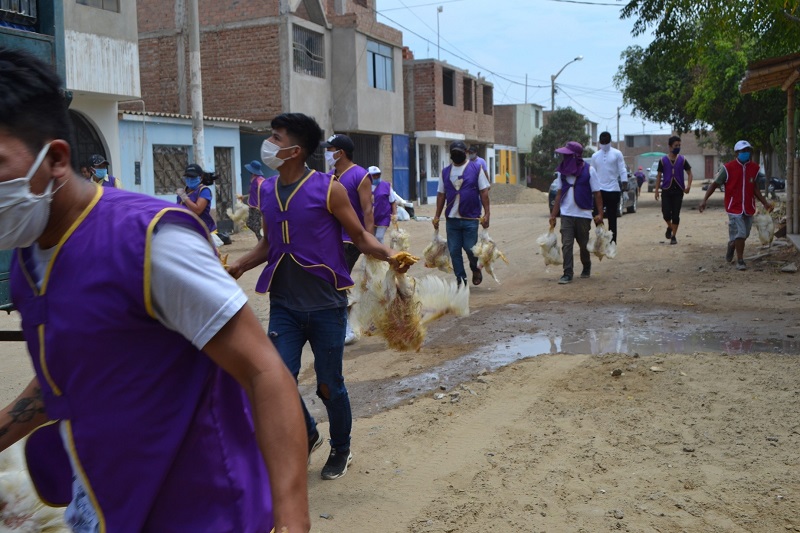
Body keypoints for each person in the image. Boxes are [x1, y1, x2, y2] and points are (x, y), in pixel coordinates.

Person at [0, 47, 310, 532]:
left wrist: (292, 520)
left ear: (56, 158)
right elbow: (73, 364)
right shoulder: (27, 260)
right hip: (104, 507)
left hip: (202, 513)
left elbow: (262, 370)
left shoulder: (149, 242)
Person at [226, 113, 412, 481]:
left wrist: (391, 254)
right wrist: (240, 265)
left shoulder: (330, 189)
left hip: (326, 305)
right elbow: (269, 243)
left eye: (276, 138)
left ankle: (341, 448)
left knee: (329, 385)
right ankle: (309, 433)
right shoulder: (266, 190)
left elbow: (359, 237)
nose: (269, 144)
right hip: (284, 303)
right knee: (276, 378)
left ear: (295, 150)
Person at [323, 133, 374, 344]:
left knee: (336, 281)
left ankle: (347, 329)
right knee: (331, 280)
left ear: (340, 152)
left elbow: (367, 210)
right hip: (331, 238)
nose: (326, 153)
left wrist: (369, 242)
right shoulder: (329, 177)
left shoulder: (360, 175)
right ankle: (345, 323)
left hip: (350, 240)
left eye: (329, 150)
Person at [698, 140, 773, 270]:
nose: (746, 153)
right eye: (743, 151)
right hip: (734, 207)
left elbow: (755, 188)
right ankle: (740, 260)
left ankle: (732, 245)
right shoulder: (727, 168)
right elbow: (715, 184)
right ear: (736, 153)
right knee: (741, 233)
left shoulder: (754, 168)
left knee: (745, 234)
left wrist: (765, 203)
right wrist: (704, 200)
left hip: (748, 207)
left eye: (748, 150)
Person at [433, 140, 491, 287]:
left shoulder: (476, 169)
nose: (457, 155)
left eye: (459, 153)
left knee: (470, 249)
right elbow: (441, 195)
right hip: (452, 219)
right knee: (454, 250)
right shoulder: (445, 172)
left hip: (470, 217)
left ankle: (475, 268)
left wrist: (487, 214)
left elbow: (484, 192)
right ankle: (461, 279)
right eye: (454, 153)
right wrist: (437, 216)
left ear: (466, 153)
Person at [548, 141, 604, 284]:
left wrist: (600, 214)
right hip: (566, 214)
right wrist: (553, 215)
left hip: (583, 215)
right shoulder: (562, 173)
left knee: (583, 244)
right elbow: (559, 194)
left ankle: (586, 265)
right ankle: (567, 273)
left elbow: (597, 193)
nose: (564, 159)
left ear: (575, 156)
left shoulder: (589, 170)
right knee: (567, 244)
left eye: (568, 156)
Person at [654, 136, 693, 245]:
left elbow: (690, 173)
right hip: (666, 189)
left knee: (676, 215)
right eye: (676, 145)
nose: (678, 147)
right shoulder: (663, 160)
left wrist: (688, 186)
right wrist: (656, 190)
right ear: (670, 146)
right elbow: (659, 176)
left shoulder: (682, 160)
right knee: (666, 214)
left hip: (678, 190)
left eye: (679, 145)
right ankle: (670, 227)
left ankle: (673, 236)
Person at [590, 131, 628, 243]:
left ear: (610, 141)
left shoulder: (617, 154)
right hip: (599, 191)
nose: (604, 144)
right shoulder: (595, 156)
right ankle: (601, 238)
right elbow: (592, 172)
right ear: (599, 142)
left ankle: (612, 243)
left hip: (613, 189)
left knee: (612, 218)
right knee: (597, 216)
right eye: (602, 142)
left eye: (606, 142)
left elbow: (622, 169)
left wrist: (625, 186)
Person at [176, 162, 217, 234]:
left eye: (193, 177)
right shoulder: (183, 192)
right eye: (188, 177)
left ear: (200, 177)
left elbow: (197, 210)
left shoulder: (204, 190)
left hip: (204, 231)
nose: (190, 179)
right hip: (187, 230)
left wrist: (185, 197)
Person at [368, 165, 397, 244]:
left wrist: (395, 214)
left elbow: (393, 201)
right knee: (372, 238)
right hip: (370, 218)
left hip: (384, 217)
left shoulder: (386, 186)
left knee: (379, 237)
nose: (376, 177)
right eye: (374, 175)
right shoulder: (365, 187)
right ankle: (376, 251)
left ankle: (383, 251)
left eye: (378, 175)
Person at [245, 159, 265, 240]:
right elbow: (253, 193)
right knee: (249, 223)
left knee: (257, 226)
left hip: (257, 207)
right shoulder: (253, 179)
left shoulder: (259, 180)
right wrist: (244, 197)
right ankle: (262, 238)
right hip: (252, 206)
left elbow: (264, 191)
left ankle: (262, 241)